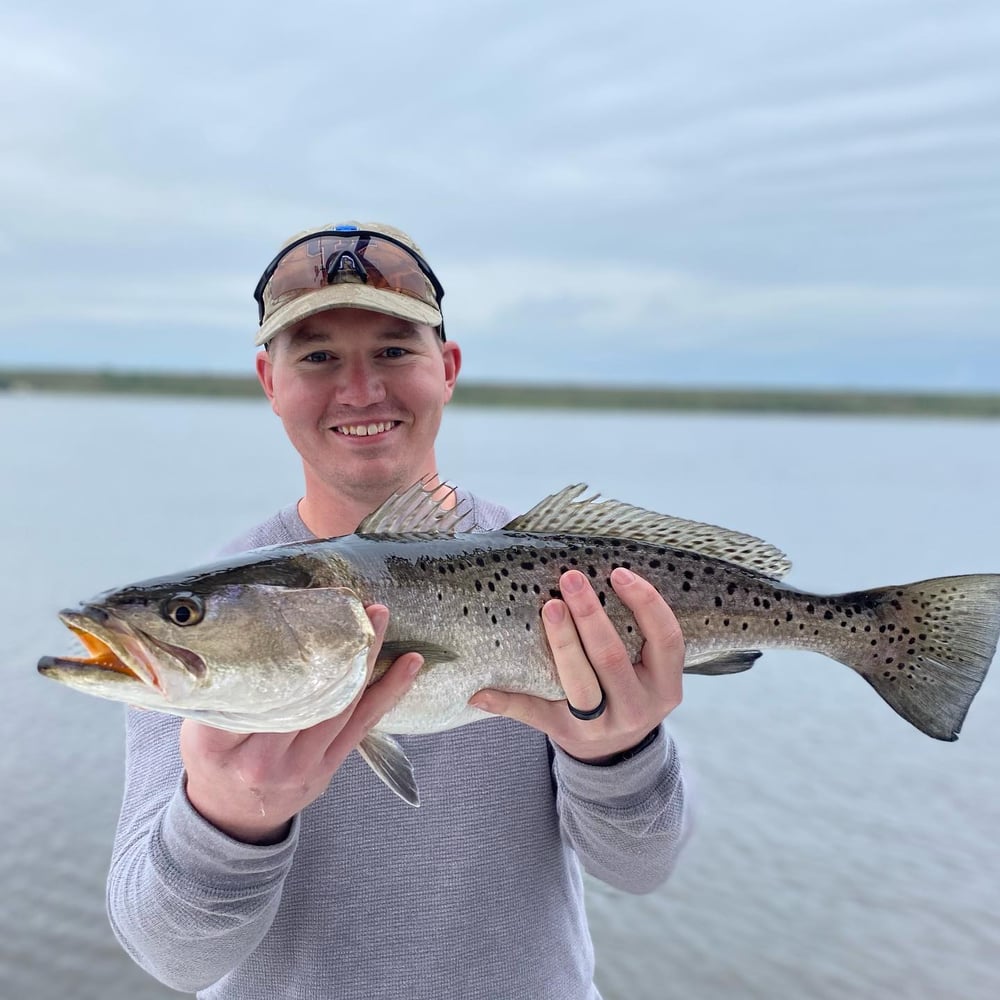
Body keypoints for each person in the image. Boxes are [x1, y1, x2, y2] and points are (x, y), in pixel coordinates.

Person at [107, 221, 691, 999]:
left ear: (446, 368)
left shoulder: (565, 580)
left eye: (393, 350)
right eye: (317, 356)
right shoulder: (203, 628)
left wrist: (620, 752)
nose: (360, 390)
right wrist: (226, 816)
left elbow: (642, 868)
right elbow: (173, 959)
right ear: (267, 381)